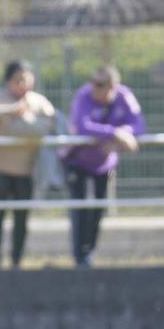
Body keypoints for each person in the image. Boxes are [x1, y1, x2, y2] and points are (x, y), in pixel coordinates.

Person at [0, 61, 55, 269]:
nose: (22, 84)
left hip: (25, 169)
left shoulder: (39, 102)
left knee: (21, 217)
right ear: (8, 81)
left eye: (26, 79)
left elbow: (41, 130)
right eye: (17, 79)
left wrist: (6, 124)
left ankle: (17, 261)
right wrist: (10, 111)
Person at [61, 66, 144, 267]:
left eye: (100, 84)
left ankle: (89, 253)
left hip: (103, 164)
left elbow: (138, 124)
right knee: (79, 208)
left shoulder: (124, 97)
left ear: (113, 86)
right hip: (77, 160)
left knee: (99, 208)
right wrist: (114, 134)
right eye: (93, 82)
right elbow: (82, 125)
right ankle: (78, 256)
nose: (94, 87)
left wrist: (122, 134)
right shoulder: (83, 96)